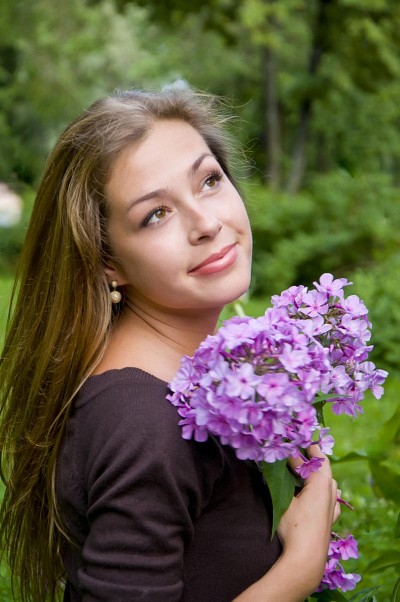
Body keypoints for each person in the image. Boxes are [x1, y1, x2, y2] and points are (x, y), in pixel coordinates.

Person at [0, 89, 340, 602]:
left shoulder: (211, 377)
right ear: (108, 262)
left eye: (209, 181)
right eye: (155, 214)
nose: (206, 224)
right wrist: (300, 566)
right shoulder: (143, 422)